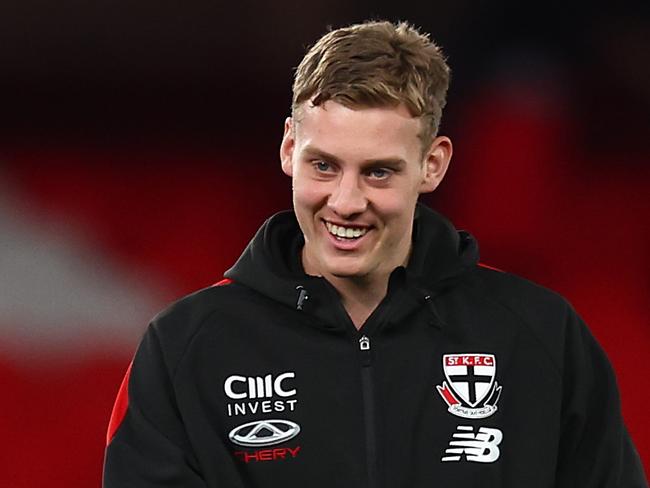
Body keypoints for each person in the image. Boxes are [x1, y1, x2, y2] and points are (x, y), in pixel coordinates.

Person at [103, 20, 647, 487]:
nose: (346, 202)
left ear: (433, 165)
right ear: (289, 147)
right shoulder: (186, 347)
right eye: (324, 165)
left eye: (378, 171)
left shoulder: (541, 334)